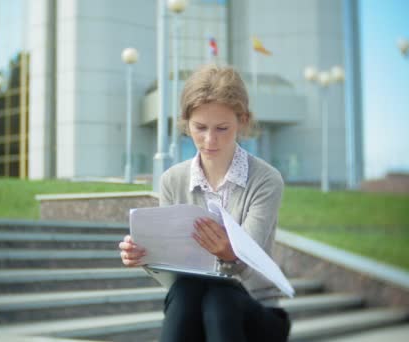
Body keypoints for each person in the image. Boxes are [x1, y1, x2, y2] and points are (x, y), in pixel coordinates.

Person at [119, 64, 290, 342]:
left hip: (258, 311)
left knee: (220, 298)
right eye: (200, 128)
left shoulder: (266, 179)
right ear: (186, 122)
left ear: (242, 121)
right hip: (193, 303)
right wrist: (145, 255)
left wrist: (230, 254)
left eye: (222, 128)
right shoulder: (173, 180)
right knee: (186, 292)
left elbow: (252, 265)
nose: (210, 140)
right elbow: (172, 269)